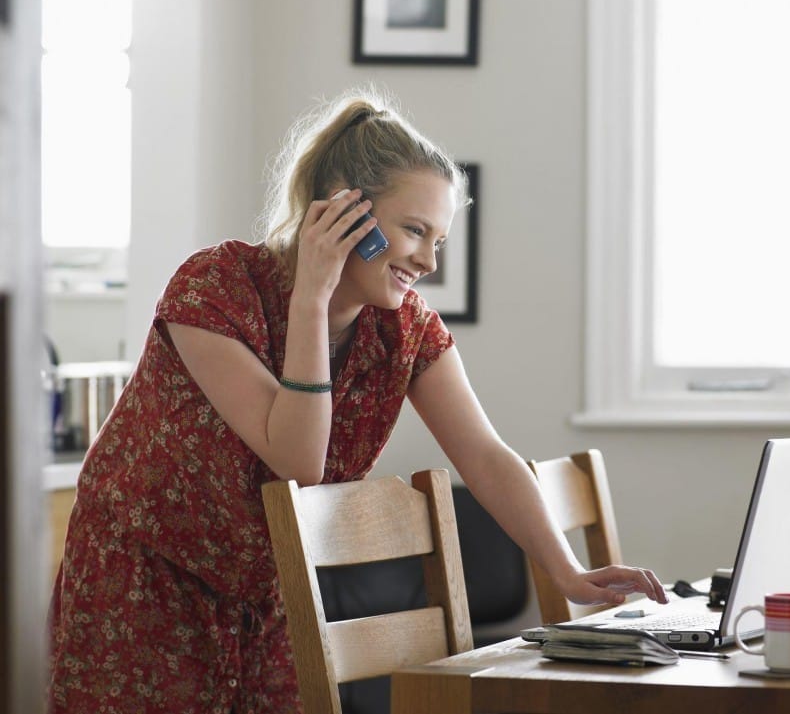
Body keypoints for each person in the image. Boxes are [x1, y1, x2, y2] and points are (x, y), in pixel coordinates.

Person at [48, 88, 668, 713]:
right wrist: (311, 300)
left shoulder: (405, 328)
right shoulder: (214, 287)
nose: (428, 260)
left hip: (268, 592)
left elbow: (483, 453)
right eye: (415, 231)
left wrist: (565, 572)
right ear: (345, 215)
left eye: (439, 241)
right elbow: (299, 459)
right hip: (146, 578)